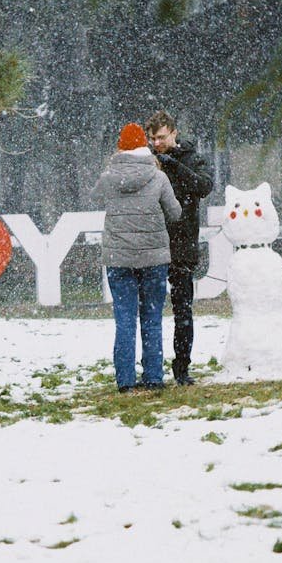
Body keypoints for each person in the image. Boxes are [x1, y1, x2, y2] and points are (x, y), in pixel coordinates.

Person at [93, 123, 182, 392]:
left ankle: (125, 381)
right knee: (152, 318)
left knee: (125, 319)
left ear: (120, 147)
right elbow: (175, 213)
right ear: (145, 146)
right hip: (154, 258)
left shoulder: (109, 176)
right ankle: (154, 378)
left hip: (119, 259)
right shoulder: (158, 177)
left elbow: (95, 197)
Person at [145, 110, 213, 385]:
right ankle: (150, 368)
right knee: (149, 310)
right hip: (151, 244)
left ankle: (182, 367)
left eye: (161, 137)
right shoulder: (148, 160)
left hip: (183, 245)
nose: (157, 143)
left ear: (173, 133)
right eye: (153, 139)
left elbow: (204, 186)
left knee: (183, 311)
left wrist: (171, 164)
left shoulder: (193, 158)